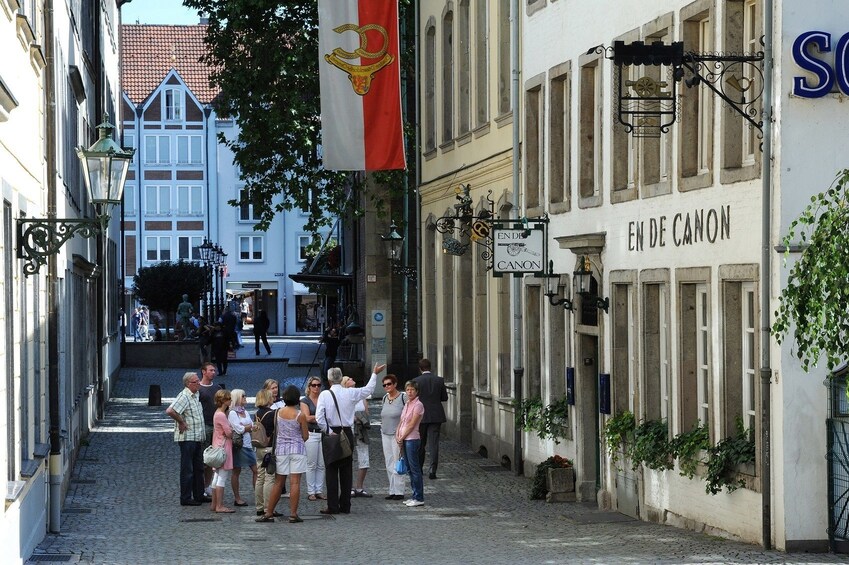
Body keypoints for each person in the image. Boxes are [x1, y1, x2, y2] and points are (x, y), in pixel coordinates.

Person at [315, 362, 385, 515]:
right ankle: (345, 505)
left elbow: (319, 417)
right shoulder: (350, 393)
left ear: (329, 380)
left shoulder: (325, 395)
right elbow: (368, 390)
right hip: (347, 432)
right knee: (346, 470)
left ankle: (332, 506)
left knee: (331, 470)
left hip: (331, 432)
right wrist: (374, 373)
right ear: (341, 379)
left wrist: (327, 430)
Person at [256, 385, 309, 523]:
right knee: (295, 482)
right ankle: (293, 514)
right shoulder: (300, 415)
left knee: (278, 482)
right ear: (297, 399)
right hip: (297, 449)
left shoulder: (277, 412)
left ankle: (269, 512)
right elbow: (305, 436)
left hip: (281, 450)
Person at [164, 372, 208, 506]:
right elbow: (170, 411)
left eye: (198, 380)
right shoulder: (184, 396)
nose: (199, 383)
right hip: (188, 438)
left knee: (198, 468)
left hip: (197, 437)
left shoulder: (196, 395)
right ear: (189, 384)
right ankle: (186, 497)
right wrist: (181, 422)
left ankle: (199, 494)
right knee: (187, 469)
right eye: (196, 382)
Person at [412, 358, 448, 479]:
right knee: (434, 443)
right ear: (430, 367)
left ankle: (419, 468)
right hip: (436, 414)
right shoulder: (439, 380)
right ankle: (433, 469)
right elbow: (444, 397)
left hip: (420, 415)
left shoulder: (416, 381)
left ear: (420, 368)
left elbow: (412, 399)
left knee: (420, 443)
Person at [396, 379, 425, 507]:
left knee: (415, 469)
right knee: (409, 469)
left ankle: (419, 497)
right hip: (404, 438)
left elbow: (412, 424)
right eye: (408, 389)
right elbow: (402, 421)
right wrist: (398, 434)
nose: (409, 392)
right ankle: (414, 495)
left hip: (412, 439)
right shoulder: (407, 404)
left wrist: (402, 436)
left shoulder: (418, 405)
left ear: (417, 391)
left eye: (412, 390)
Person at [380, 374, 407, 500]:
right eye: (384, 385)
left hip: (397, 434)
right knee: (389, 462)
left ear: (395, 384)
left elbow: (408, 415)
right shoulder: (385, 398)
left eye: (389, 384)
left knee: (398, 462)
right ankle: (392, 490)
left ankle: (399, 491)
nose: (387, 386)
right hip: (385, 433)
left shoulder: (403, 397)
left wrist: (403, 432)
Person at [227, 389, 257, 507]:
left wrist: (247, 427)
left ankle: (258, 496)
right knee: (237, 470)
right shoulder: (233, 413)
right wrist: (248, 427)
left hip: (248, 444)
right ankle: (237, 498)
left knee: (255, 470)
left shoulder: (244, 411)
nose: (245, 398)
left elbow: (251, 426)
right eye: (243, 396)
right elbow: (239, 429)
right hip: (240, 445)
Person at [345, 377, 372, 498]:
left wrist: (361, 418)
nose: (352, 379)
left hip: (361, 430)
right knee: (347, 458)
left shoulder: (361, 396)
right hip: (349, 430)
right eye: (349, 379)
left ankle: (359, 487)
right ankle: (349, 487)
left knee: (364, 458)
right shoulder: (344, 396)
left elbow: (367, 412)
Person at [300, 376, 326, 501]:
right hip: (311, 434)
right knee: (311, 464)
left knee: (321, 464)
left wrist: (314, 416)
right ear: (309, 387)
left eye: (319, 385)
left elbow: (312, 417)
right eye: (314, 385)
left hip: (323, 433)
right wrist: (321, 416)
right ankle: (311, 491)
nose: (316, 387)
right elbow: (306, 417)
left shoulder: (323, 399)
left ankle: (319, 490)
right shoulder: (305, 401)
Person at [210, 389, 235, 513]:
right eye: (229, 398)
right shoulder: (221, 415)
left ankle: (214, 504)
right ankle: (219, 505)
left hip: (217, 444)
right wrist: (231, 428)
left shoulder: (217, 413)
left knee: (216, 476)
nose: (231, 400)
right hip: (223, 447)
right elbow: (229, 432)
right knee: (222, 477)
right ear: (224, 400)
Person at [197, 362, 219, 496]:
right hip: (204, 425)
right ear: (203, 372)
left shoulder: (217, 388)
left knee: (212, 459)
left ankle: (207, 485)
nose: (214, 372)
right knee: (202, 458)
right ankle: (200, 486)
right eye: (211, 370)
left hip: (216, 426)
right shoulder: (198, 388)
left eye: (214, 370)